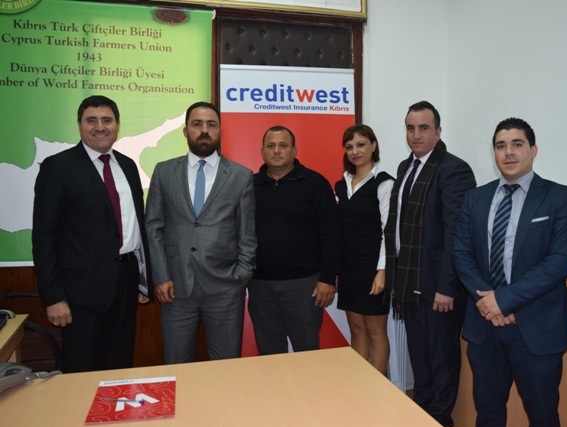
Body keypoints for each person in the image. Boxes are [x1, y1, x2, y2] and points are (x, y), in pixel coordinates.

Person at [453, 118, 567, 427]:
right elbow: (461, 254)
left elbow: (560, 262)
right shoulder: (476, 198)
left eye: (517, 144)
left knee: (543, 420)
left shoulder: (560, 197)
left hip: (538, 328)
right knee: (488, 417)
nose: (508, 152)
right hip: (485, 327)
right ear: (494, 153)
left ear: (533, 150)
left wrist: (504, 300)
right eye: (501, 146)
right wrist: (490, 303)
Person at [32, 95, 151, 373]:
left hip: (125, 282)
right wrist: (53, 297)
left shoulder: (128, 166)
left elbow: (134, 224)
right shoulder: (58, 167)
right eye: (91, 120)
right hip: (79, 292)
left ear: (118, 125)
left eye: (107, 120)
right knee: (80, 369)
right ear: (79, 125)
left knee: (119, 366)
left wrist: (143, 280)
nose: (100, 127)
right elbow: (44, 236)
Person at [384, 101, 476, 427]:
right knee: (420, 358)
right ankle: (421, 417)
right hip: (409, 283)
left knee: (442, 360)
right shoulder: (405, 167)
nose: (416, 135)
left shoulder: (454, 169)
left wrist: (447, 287)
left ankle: (440, 421)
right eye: (410, 128)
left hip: (439, 287)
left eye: (424, 128)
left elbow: (457, 234)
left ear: (438, 131)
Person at [145, 101, 256, 364]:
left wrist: (241, 276)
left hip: (225, 288)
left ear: (220, 131)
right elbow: (153, 227)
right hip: (174, 288)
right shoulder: (163, 171)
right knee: (177, 364)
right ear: (186, 131)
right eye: (197, 124)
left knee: (226, 366)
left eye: (211, 125)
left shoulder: (241, 176)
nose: (204, 130)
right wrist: (161, 276)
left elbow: (247, 233)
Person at [248, 126, 341, 355]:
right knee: (269, 355)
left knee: (306, 353)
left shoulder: (315, 183)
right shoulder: (249, 185)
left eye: (283, 145)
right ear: (262, 151)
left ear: (294, 150)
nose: (276, 151)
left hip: (304, 287)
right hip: (260, 287)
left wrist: (328, 278)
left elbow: (331, 233)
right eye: (271, 146)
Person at [335, 125, 394, 373]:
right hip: (348, 268)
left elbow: (388, 231)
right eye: (349, 147)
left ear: (373, 145)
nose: (355, 151)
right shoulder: (341, 185)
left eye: (360, 144)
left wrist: (382, 270)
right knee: (356, 329)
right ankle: (359, 386)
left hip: (372, 268)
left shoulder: (384, 183)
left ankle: (377, 388)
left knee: (375, 332)